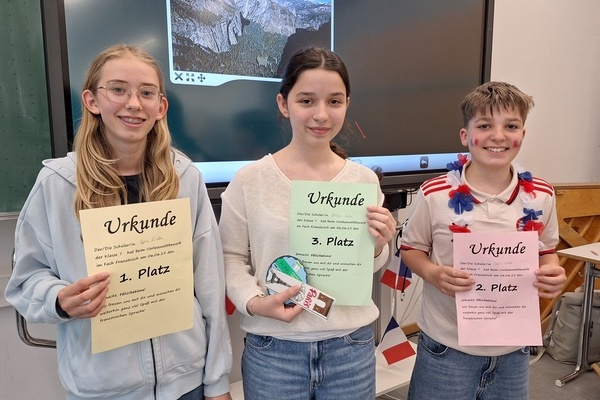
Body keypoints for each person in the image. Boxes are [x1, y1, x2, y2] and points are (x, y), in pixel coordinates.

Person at [4, 44, 232, 400]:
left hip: (186, 382)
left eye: (147, 93)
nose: (134, 103)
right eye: (118, 89)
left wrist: (217, 382)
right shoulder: (57, 184)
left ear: (161, 107)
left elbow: (209, 285)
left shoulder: (185, 178)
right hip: (104, 389)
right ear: (92, 100)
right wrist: (59, 299)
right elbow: (25, 281)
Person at [219, 47, 397, 400]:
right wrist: (253, 301)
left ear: (347, 104)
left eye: (334, 101)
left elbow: (370, 265)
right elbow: (229, 257)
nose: (321, 114)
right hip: (274, 351)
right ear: (284, 104)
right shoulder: (251, 179)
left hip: (350, 348)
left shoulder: (363, 181)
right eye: (306, 101)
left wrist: (379, 246)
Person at [400, 81, 567, 399]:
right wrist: (433, 273)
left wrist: (553, 271)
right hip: (447, 349)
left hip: (513, 350)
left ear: (522, 135)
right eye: (485, 125)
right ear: (465, 136)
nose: (498, 136)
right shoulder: (435, 194)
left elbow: (546, 250)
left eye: (511, 126)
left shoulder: (541, 195)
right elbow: (411, 248)